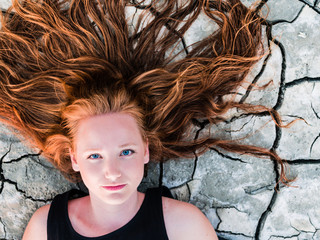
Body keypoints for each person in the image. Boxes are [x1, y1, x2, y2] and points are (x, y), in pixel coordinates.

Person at [0, 0, 288, 239]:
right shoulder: (46, 229)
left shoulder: (183, 227)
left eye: (126, 152)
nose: (112, 172)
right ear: (74, 158)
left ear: (146, 150)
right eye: (94, 156)